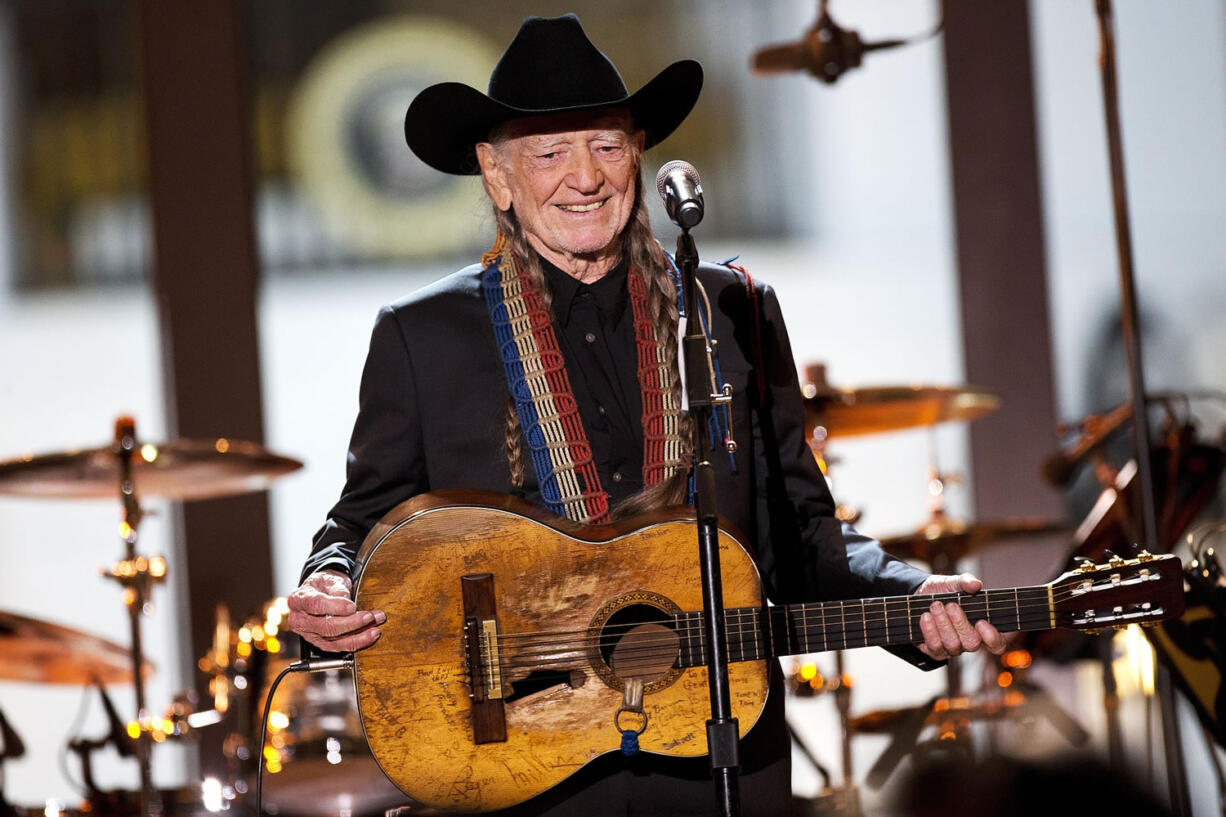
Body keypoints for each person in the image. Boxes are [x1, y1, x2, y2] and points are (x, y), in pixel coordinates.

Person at [287, 13, 1005, 816]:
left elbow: (804, 540)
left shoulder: (732, 310)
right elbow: (359, 523)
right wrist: (330, 579)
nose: (584, 177)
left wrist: (915, 596)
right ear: (496, 175)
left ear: (639, 152)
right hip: (523, 768)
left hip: (721, 758)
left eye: (606, 143)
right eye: (550, 152)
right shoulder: (422, 336)